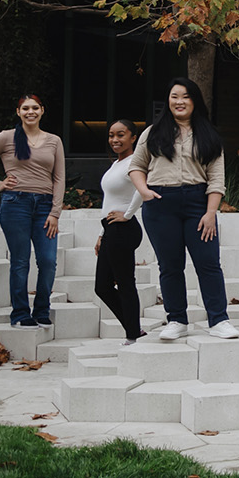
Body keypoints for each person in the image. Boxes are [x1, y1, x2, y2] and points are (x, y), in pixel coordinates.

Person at [128, 78, 239, 340]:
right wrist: (145, 192)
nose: (179, 101)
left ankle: (219, 320)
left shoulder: (209, 136)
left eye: (186, 96)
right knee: (170, 265)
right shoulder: (152, 133)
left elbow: (216, 180)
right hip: (160, 203)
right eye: (174, 96)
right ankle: (176, 319)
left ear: (195, 101)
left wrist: (210, 213)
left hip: (197, 202)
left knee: (208, 263)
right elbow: (136, 167)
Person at [0, 94, 66, 328]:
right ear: (18, 112)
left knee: (48, 260)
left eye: (35, 107)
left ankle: (42, 309)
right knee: (20, 261)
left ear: (42, 110)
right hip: (16, 204)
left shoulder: (54, 140)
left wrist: (55, 212)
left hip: (45, 206)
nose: (30, 112)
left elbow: (59, 177)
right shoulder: (7, 137)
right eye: (25, 108)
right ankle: (21, 313)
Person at [94, 119, 145, 344]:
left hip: (124, 228)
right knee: (102, 287)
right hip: (111, 229)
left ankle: (133, 334)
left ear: (133, 138)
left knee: (125, 282)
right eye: (111, 135)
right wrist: (102, 233)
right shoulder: (117, 163)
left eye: (121, 135)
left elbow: (142, 189)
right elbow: (110, 200)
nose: (115, 139)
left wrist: (128, 214)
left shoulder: (136, 161)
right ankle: (134, 328)